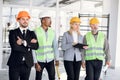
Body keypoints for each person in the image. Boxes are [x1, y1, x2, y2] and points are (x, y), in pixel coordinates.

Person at [7, 11, 39, 80]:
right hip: (14, 64)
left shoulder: (32, 33)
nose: (25, 21)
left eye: (27, 19)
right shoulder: (13, 32)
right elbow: (14, 47)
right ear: (18, 20)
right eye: (23, 19)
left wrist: (24, 43)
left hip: (27, 64)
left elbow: (36, 46)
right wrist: (29, 46)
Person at [33, 12, 59, 80]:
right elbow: (33, 49)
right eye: (48, 19)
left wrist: (57, 58)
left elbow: (55, 46)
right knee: (38, 78)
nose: (50, 21)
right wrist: (35, 62)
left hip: (50, 59)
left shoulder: (52, 32)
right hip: (39, 60)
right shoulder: (35, 32)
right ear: (43, 20)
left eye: (50, 19)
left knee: (52, 77)